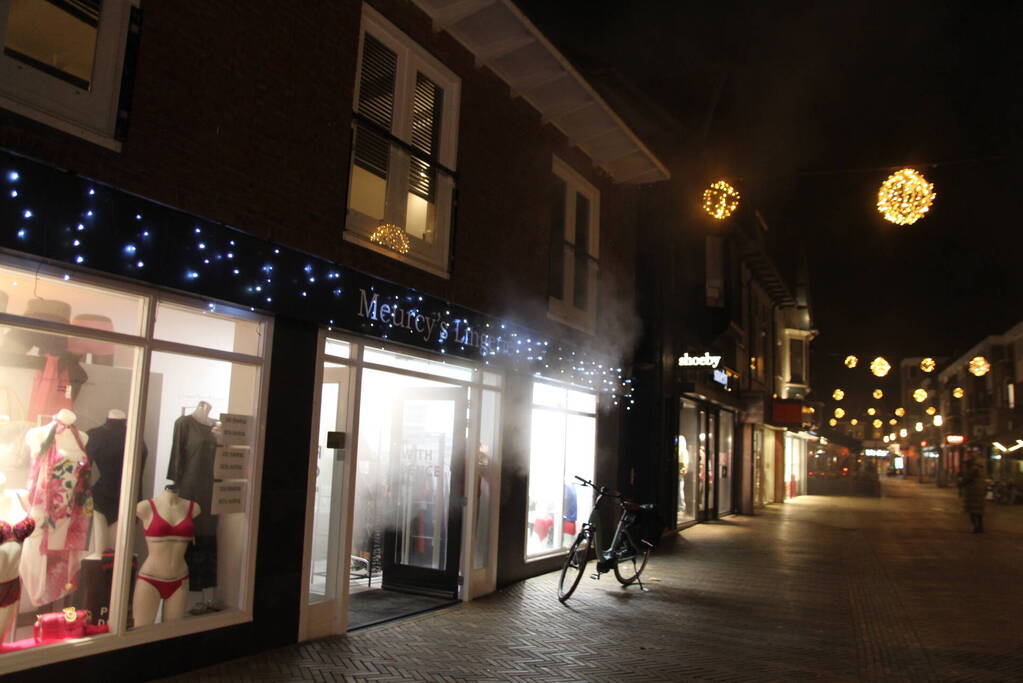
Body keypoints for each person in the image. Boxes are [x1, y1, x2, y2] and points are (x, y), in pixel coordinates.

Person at [960, 451, 987, 533]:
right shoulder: (981, 464)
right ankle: (980, 526)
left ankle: (976, 527)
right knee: (978, 510)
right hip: (980, 489)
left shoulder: (974, 466)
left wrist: (961, 483)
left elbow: (969, 476)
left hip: (973, 490)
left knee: (972, 510)